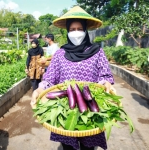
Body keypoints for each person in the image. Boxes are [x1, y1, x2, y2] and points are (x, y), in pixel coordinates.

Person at [31, 6, 115, 150]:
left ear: (85, 30)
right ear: (67, 31)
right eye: (72, 29)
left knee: (89, 145)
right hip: (66, 108)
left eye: (79, 29)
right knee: (68, 146)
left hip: (90, 107)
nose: (76, 33)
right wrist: (39, 90)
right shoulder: (60, 54)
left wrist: (106, 83)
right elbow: (50, 79)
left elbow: (105, 75)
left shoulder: (97, 52)